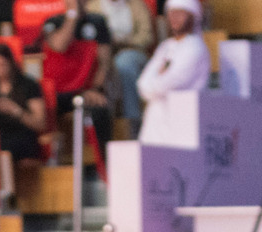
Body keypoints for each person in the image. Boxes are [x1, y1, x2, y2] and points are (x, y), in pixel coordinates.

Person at [42, 0, 115, 156]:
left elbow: (104, 63)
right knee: (40, 109)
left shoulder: (98, 22)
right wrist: (72, 16)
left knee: (99, 109)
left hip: (85, 90)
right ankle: (53, 163)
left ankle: (104, 165)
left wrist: (96, 89)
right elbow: (59, 46)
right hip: (57, 93)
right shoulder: (53, 22)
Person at [136, 0, 210, 146]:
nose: (174, 17)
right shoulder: (165, 46)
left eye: (180, 13)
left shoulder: (195, 47)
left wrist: (156, 80)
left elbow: (170, 83)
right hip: (156, 125)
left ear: (192, 16)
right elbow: (142, 84)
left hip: (184, 125)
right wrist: (156, 82)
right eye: (171, 12)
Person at [87, 0, 155, 137]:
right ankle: (104, 128)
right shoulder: (92, 7)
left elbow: (147, 36)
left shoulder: (137, 5)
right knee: (103, 67)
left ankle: (132, 120)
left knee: (123, 64)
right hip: (102, 54)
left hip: (132, 51)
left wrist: (125, 43)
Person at [0, 44, 47, 163]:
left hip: (24, 134)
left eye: (2, 65)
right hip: (0, 135)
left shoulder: (28, 84)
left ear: (11, 63)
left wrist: (15, 110)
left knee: (17, 145)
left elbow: (40, 123)